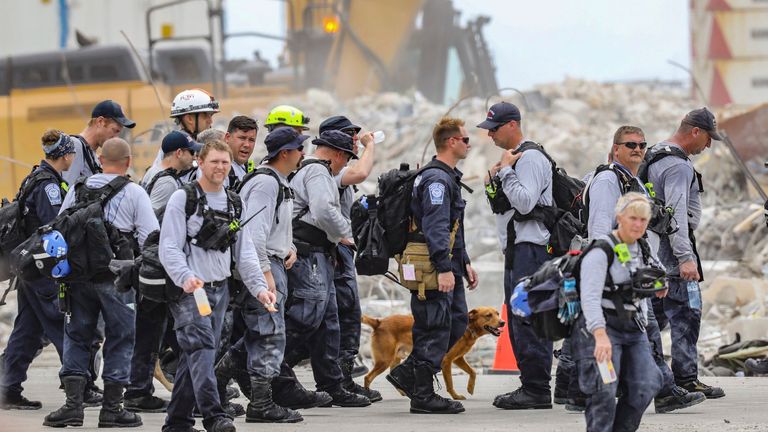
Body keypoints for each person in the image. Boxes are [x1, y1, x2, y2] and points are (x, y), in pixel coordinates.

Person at [573, 126, 706, 413]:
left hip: (633, 273)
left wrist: (653, 269)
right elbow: (600, 232)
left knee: (640, 334)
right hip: (618, 276)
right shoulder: (609, 180)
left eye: (642, 145)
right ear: (616, 148)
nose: (637, 149)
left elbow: (641, 235)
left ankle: (580, 392)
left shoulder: (632, 181)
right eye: (630, 144)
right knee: (645, 332)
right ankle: (665, 392)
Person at [159, 140, 274, 432]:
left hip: (220, 290)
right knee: (201, 350)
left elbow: (245, 253)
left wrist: (260, 289)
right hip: (190, 291)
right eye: (214, 162)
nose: (220, 168)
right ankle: (214, 416)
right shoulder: (181, 199)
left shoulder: (235, 202)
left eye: (225, 162)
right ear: (200, 161)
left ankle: (177, 423)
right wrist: (186, 277)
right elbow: (168, 248)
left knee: (194, 356)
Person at [44, 138, 159, 428]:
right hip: (118, 280)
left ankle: (73, 405)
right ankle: (112, 409)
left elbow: (60, 227)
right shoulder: (134, 192)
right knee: (121, 339)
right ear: (128, 162)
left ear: (100, 158)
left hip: (78, 278)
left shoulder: (78, 189)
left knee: (77, 336)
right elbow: (151, 238)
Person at [216, 127, 308, 423]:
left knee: (262, 332)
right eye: (298, 149)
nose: (302, 155)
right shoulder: (266, 184)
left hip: (272, 261)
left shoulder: (276, 181)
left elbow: (273, 228)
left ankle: (218, 379)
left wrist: (288, 247)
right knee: (269, 333)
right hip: (264, 266)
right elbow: (253, 235)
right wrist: (265, 274)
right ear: (285, 154)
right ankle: (261, 403)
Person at [387, 117, 478, 414]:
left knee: (456, 320)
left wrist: (462, 262)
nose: (469, 143)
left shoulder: (447, 176)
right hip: (431, 261)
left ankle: (408, 374)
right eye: (465, 139)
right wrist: (443, 267)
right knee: (434, 325)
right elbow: (436, 225)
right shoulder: (436, 180)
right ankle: (423, 395)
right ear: (451, 142)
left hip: (447, 259)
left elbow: (454, 227)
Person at [273, 130, 370, 408]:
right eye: (346, 159)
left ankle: (331, 384)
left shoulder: (314, 170)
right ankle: (273, 368)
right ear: (338, 155)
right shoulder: (318, 172)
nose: (344, 167)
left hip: (319, 253)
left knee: (327, 321)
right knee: (308, 318)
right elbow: (324, 210)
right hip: (308, 254)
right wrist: (346, 233)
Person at [645, 108, 725, 399]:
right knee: (687, 312)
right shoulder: (678, 166)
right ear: (695, 132)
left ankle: (640, 375)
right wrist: (685, 258)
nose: (708, 146)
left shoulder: (653, 154)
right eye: (707, 138)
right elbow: (676, 212)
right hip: (673, 250)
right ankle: (686, 379)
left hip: (653, 247)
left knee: (651, 314)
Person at [477, 102, 553, 409]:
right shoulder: (515, 159)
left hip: (532, 252)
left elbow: (524, 203)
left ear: (512, 125)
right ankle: (532, 385)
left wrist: (507, 171)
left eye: (494, 129)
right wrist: (493, 181)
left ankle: (536, 389)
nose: (491, 135)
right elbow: (506, 207)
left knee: (528, 319)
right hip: (518, 251)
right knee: (519, 318)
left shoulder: (530, 158)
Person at [571, 192, 664, 432]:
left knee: (648, 383)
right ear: (619, 217)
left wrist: (659, 285)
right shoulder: (600, 251)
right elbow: (589, 298)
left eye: (643, 220)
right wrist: (599, 336)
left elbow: (657, 274)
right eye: (633, 218)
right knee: (604, 391)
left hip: (633, 327)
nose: (638, 224)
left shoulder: (642, 247)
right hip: (601, 327)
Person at [124, 131, 202, 413]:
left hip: (151, 264)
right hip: (159, 265)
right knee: (162, 328)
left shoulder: (154, 175)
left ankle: (140, 389)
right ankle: (143, 390)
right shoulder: (168, 184)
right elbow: (157, 225)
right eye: (191, 153)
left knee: (155, 328)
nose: (195, 158)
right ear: (178, 153)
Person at [0, 130, 75, 410]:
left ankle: (7, 389)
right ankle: (79, 388)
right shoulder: (48, 186)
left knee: (27, 331)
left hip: (29, 268)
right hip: (42, 269)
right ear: (65, 154)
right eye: (72, 153)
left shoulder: (35, 176)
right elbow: (53, 226)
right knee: (62, 326)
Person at [318, 115, 380, 402]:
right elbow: (361, 173)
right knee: (342, 314)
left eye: (355, 136)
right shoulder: (331, 171)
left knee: (345, 314)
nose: (354, 140)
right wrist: (369, 147)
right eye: (349, 136)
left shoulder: (331, 171)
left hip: (341, 248)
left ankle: (341, 376)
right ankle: (337, 379)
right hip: (335, 249)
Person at [62, 100, 136, 185]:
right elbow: (68, 191)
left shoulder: (93, 155)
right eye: (114, 130)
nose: (116, 138)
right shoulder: (75, 146)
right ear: (100, 121)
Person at [225, 116, 258, 184]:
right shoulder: (220, 170)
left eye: (251, 140)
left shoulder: (248, 168)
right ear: (227, 137)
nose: (247, 145)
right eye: (242, 138)